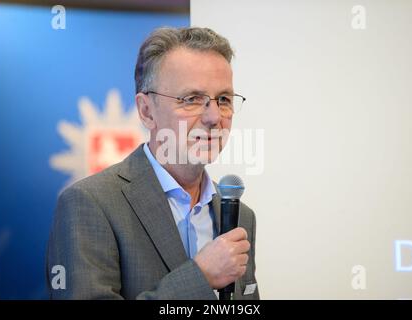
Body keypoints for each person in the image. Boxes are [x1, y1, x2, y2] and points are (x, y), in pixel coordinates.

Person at [46, 27, 259, 300]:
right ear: (146, 111)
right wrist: (200, 277)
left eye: (224, 100)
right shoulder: (89, 204)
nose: (214, 117)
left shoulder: (241, 216)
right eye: (192, 99)